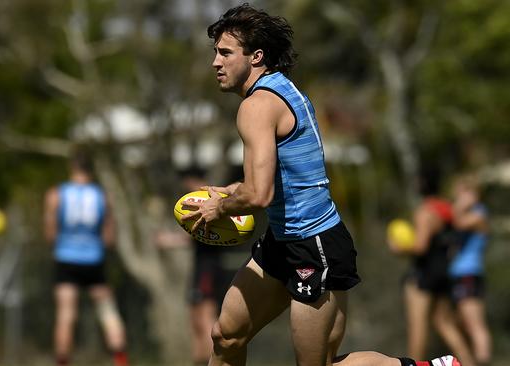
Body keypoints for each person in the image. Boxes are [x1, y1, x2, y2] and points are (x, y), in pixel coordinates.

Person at [181, 4, 460, 366]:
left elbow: (260, 194)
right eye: (215, 53)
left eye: (225, 53)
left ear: (256, 57)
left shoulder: (257, 107)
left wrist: (219, 207)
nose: (215, 63)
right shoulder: (279, 90)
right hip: (282, 241)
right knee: (225, 335)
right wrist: (230, 191)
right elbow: (281, 180)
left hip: (315, 247)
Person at [44, 151, 128, 366]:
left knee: (66, 315)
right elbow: (109, 238)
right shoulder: (102, 195)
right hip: (94, 260)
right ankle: (120, 360)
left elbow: (50, 233)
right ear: (91, 170)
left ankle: (63, 361)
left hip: (66, 259)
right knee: (108, 312)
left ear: (72, 167)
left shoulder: (56, 194)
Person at [389, 169, 476, 366]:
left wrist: (399, 247)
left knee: (418, 328)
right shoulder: (447, 209)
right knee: (446, 324)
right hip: (444, 273)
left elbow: (421, 246)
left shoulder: (425, 211)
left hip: (423, 276)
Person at [180, 168, 239, 365]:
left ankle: (212, 360)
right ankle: (199, 361)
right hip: (199, 268)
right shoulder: (200, 209)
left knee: (206, 317)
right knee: (195, 319)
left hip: (209, 268)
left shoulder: (211, 205)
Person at [449, 175, 492, 365]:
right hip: (460, 274)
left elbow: (458, 223)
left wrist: (460, 206)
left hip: (469, 273)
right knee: (461, 323)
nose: (457, 197)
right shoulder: (469, 212)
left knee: (475, 324)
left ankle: (482, 360)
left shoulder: (478, 214)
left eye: (461, 193)